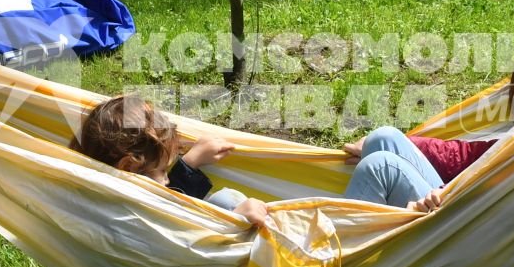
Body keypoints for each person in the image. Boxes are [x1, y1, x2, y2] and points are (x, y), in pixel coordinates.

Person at [73, 95, 443, 225]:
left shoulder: (135, 194)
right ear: (127, 166)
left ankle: (450, 204)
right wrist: (235, 217)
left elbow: (176, 202)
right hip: (324, 256)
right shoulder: (143, 215)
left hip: (304, 234)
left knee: (387, 138)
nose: (169, 181)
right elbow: (191, 234)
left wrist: (190, 165)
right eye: (164, 174)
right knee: (381, 167)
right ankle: (447, 212)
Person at [340, 37, 514, 185]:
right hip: (452, 209)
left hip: (464, 226)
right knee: (384, 139)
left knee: (380, 165)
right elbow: (462, 156)